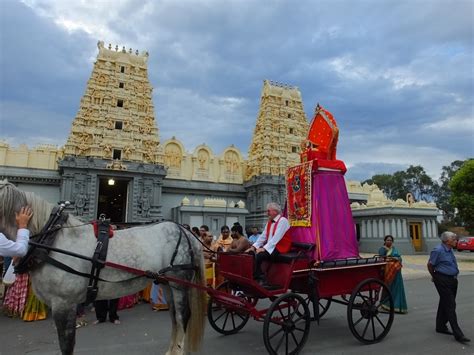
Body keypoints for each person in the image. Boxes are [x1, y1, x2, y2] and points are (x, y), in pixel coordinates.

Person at [427, 231, 470, 343]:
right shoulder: (438, 250)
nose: (456, 241)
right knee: (450, 305)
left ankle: (440, 326)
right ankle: (458, 334)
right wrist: (435, 277)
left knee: (445, 302)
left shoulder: (450, 249)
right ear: (447, 241)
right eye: (454, 239)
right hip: (442, 279)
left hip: (452, 280)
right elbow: (430, 264)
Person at [245, 202, 292, 285]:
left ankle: (260, 277)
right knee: (251, 253)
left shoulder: (283, 221)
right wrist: (254, 246)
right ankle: (255, 275)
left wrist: (264, 248)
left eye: (268, 211)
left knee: (260, 255)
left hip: (280, 247)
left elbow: (276, 238)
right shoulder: (269, 221)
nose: (267, 213)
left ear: (275, 211)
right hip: (271, 247)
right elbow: (263, 236)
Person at [378, 235, 407, 314]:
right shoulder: (382, 249)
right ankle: (384, 305)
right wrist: (392, 259)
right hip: (387, 272)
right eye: (387, 240)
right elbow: (381, 259)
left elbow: (400, 258)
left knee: (396, 289)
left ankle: (397, 306)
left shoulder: (394, 249)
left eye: (390, 240)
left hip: (396, 272)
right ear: (384, 241)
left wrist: (397, 259)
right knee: (387, 288)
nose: (389, 241)